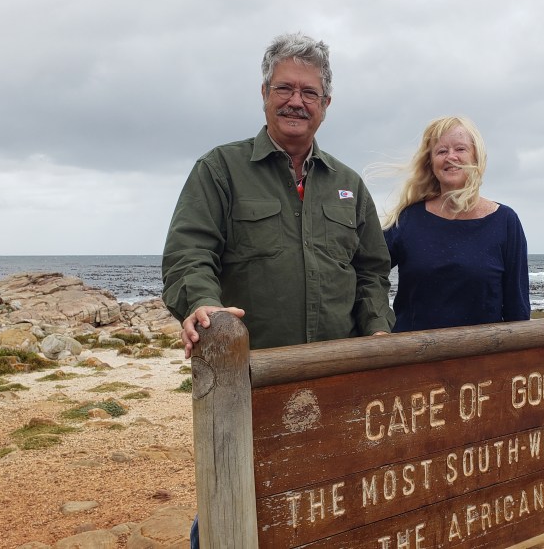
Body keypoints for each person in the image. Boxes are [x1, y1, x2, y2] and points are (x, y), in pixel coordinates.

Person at [161, 32, 394, 548]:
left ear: (326, 104)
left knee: (326, 496)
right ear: (264, 93)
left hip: (335, 380)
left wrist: (378, 330)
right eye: (285, 88)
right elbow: (188, 252)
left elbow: (373, 272)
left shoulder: (349, 184)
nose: (296, 101)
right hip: (244, 380)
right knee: (233, 499)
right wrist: (202, 302)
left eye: (309, 92)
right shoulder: (219, 170)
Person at [382, 116, 530, 331]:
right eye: (441, 151)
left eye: (460, 149)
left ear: (476, 157)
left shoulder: (506, 221)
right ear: (431, 163)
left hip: (481, 351)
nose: (451, 157)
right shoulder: (407, 219)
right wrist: (378, 324)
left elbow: (517, 310)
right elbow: (368, 273)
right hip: (413, 351)